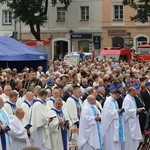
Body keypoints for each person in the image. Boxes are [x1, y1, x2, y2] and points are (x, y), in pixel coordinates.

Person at [101, 85, 125, 150]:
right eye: (117, 95)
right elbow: (108, 113)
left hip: (115, 122)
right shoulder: (108, 101)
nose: (118, 97)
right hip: (110, 125)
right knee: (111, 142)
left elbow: (114, 111)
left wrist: (119, 111)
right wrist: (117, 111)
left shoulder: (115, 102)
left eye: (119, 96)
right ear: (113, 93)